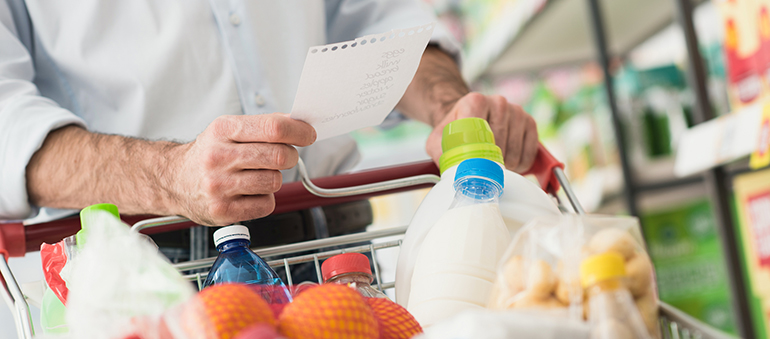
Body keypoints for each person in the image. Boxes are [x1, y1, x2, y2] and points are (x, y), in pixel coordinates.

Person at [0, 0, 539, 227]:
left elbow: (377, 15)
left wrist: (451, 109)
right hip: (144, 261)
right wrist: (169, 177)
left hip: (336, 232)